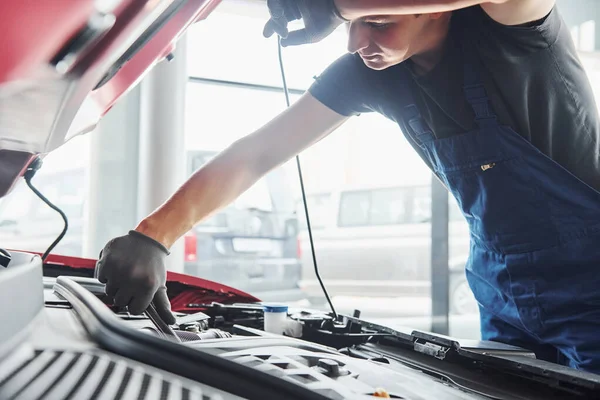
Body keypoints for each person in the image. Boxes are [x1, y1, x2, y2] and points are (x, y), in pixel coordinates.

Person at [95, 0, 600, 373]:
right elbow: (257, 154)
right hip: (500, 289)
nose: (357, 41)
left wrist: (336, 5)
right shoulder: (369, 76)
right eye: (349, 25)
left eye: (376, 18)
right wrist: (153, 234)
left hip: (590, 281)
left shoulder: (519, 32)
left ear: (436, 9)